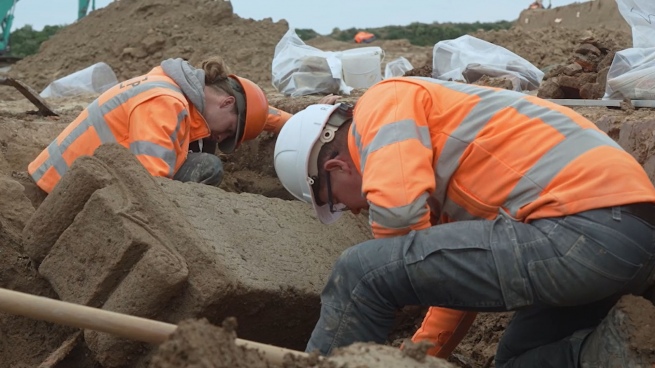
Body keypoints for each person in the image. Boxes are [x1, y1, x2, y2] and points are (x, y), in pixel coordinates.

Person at [273, 76, 655, 367]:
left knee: (359, 270)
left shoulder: (384, 100)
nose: (351, 210)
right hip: (629, 241)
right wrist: (415, 356)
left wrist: (382, 277)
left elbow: (398, 226)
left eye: (335, 200)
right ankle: (616, 352)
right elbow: (449, 288)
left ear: (334, 167)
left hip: (583, 226)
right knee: (519, 359)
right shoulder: (443, 171)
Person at [28, 56, 336, 194]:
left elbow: (259, 114)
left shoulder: (179, 87)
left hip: (64, 172)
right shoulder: (166, 104)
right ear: (226, 102)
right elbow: (149, 184)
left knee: (202, 156)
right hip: (63, 188)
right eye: (228, 130)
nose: (221, 135)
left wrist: (305, 121)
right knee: (208, 165)